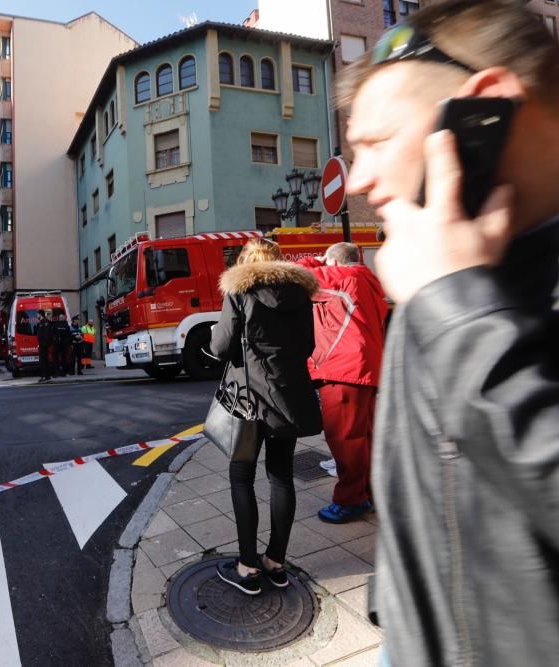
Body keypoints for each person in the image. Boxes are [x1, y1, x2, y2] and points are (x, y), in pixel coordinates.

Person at [338, 2, 559, 664]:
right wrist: (394, 601)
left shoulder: (444, 286)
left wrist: (458, 306)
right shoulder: (437, 262)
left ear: (482, 111)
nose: (358, 181)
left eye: (377, 142)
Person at [209, 237, 321, 595]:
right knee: (281, 477)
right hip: (290, 396)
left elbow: (221, 347)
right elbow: (308, 346)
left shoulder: (240, 291)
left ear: (246, 262)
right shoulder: (300, 295)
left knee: (241, 475)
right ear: (278, 260)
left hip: (251, 399)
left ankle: (247, 566)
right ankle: (275, 562)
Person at [295, 243, 388, 523]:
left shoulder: (342, 278)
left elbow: (293, 276)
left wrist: (315, 259)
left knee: (345, 439)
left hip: (343, 368)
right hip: (364, 366)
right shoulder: (367, 279)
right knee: (363, 437)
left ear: (333, 263)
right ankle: (368, 492)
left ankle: (351, 500)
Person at [35, 310, 54, 382]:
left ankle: (45, 376)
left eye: (37, 314)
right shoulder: (40, 323)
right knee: (43, 361)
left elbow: (46, 335)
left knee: (44, 361)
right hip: (42, 344)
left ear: (40, 315)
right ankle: (45, 376)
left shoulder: (45, 323)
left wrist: (44, 345)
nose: (37, 316)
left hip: (44, 345)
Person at [52, 311, 73, 376]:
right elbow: (52, 334)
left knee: (64, 359)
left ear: (64, 318)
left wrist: (69, 343)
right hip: (57, 344)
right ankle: (56, 372)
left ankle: (64, 372)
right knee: (56, 359)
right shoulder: (55, 324)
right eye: (60, 317)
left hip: (64, 345)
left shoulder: (66, 325)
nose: (61, 318)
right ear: (59, 318)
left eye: (62, 317)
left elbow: (69, 335)